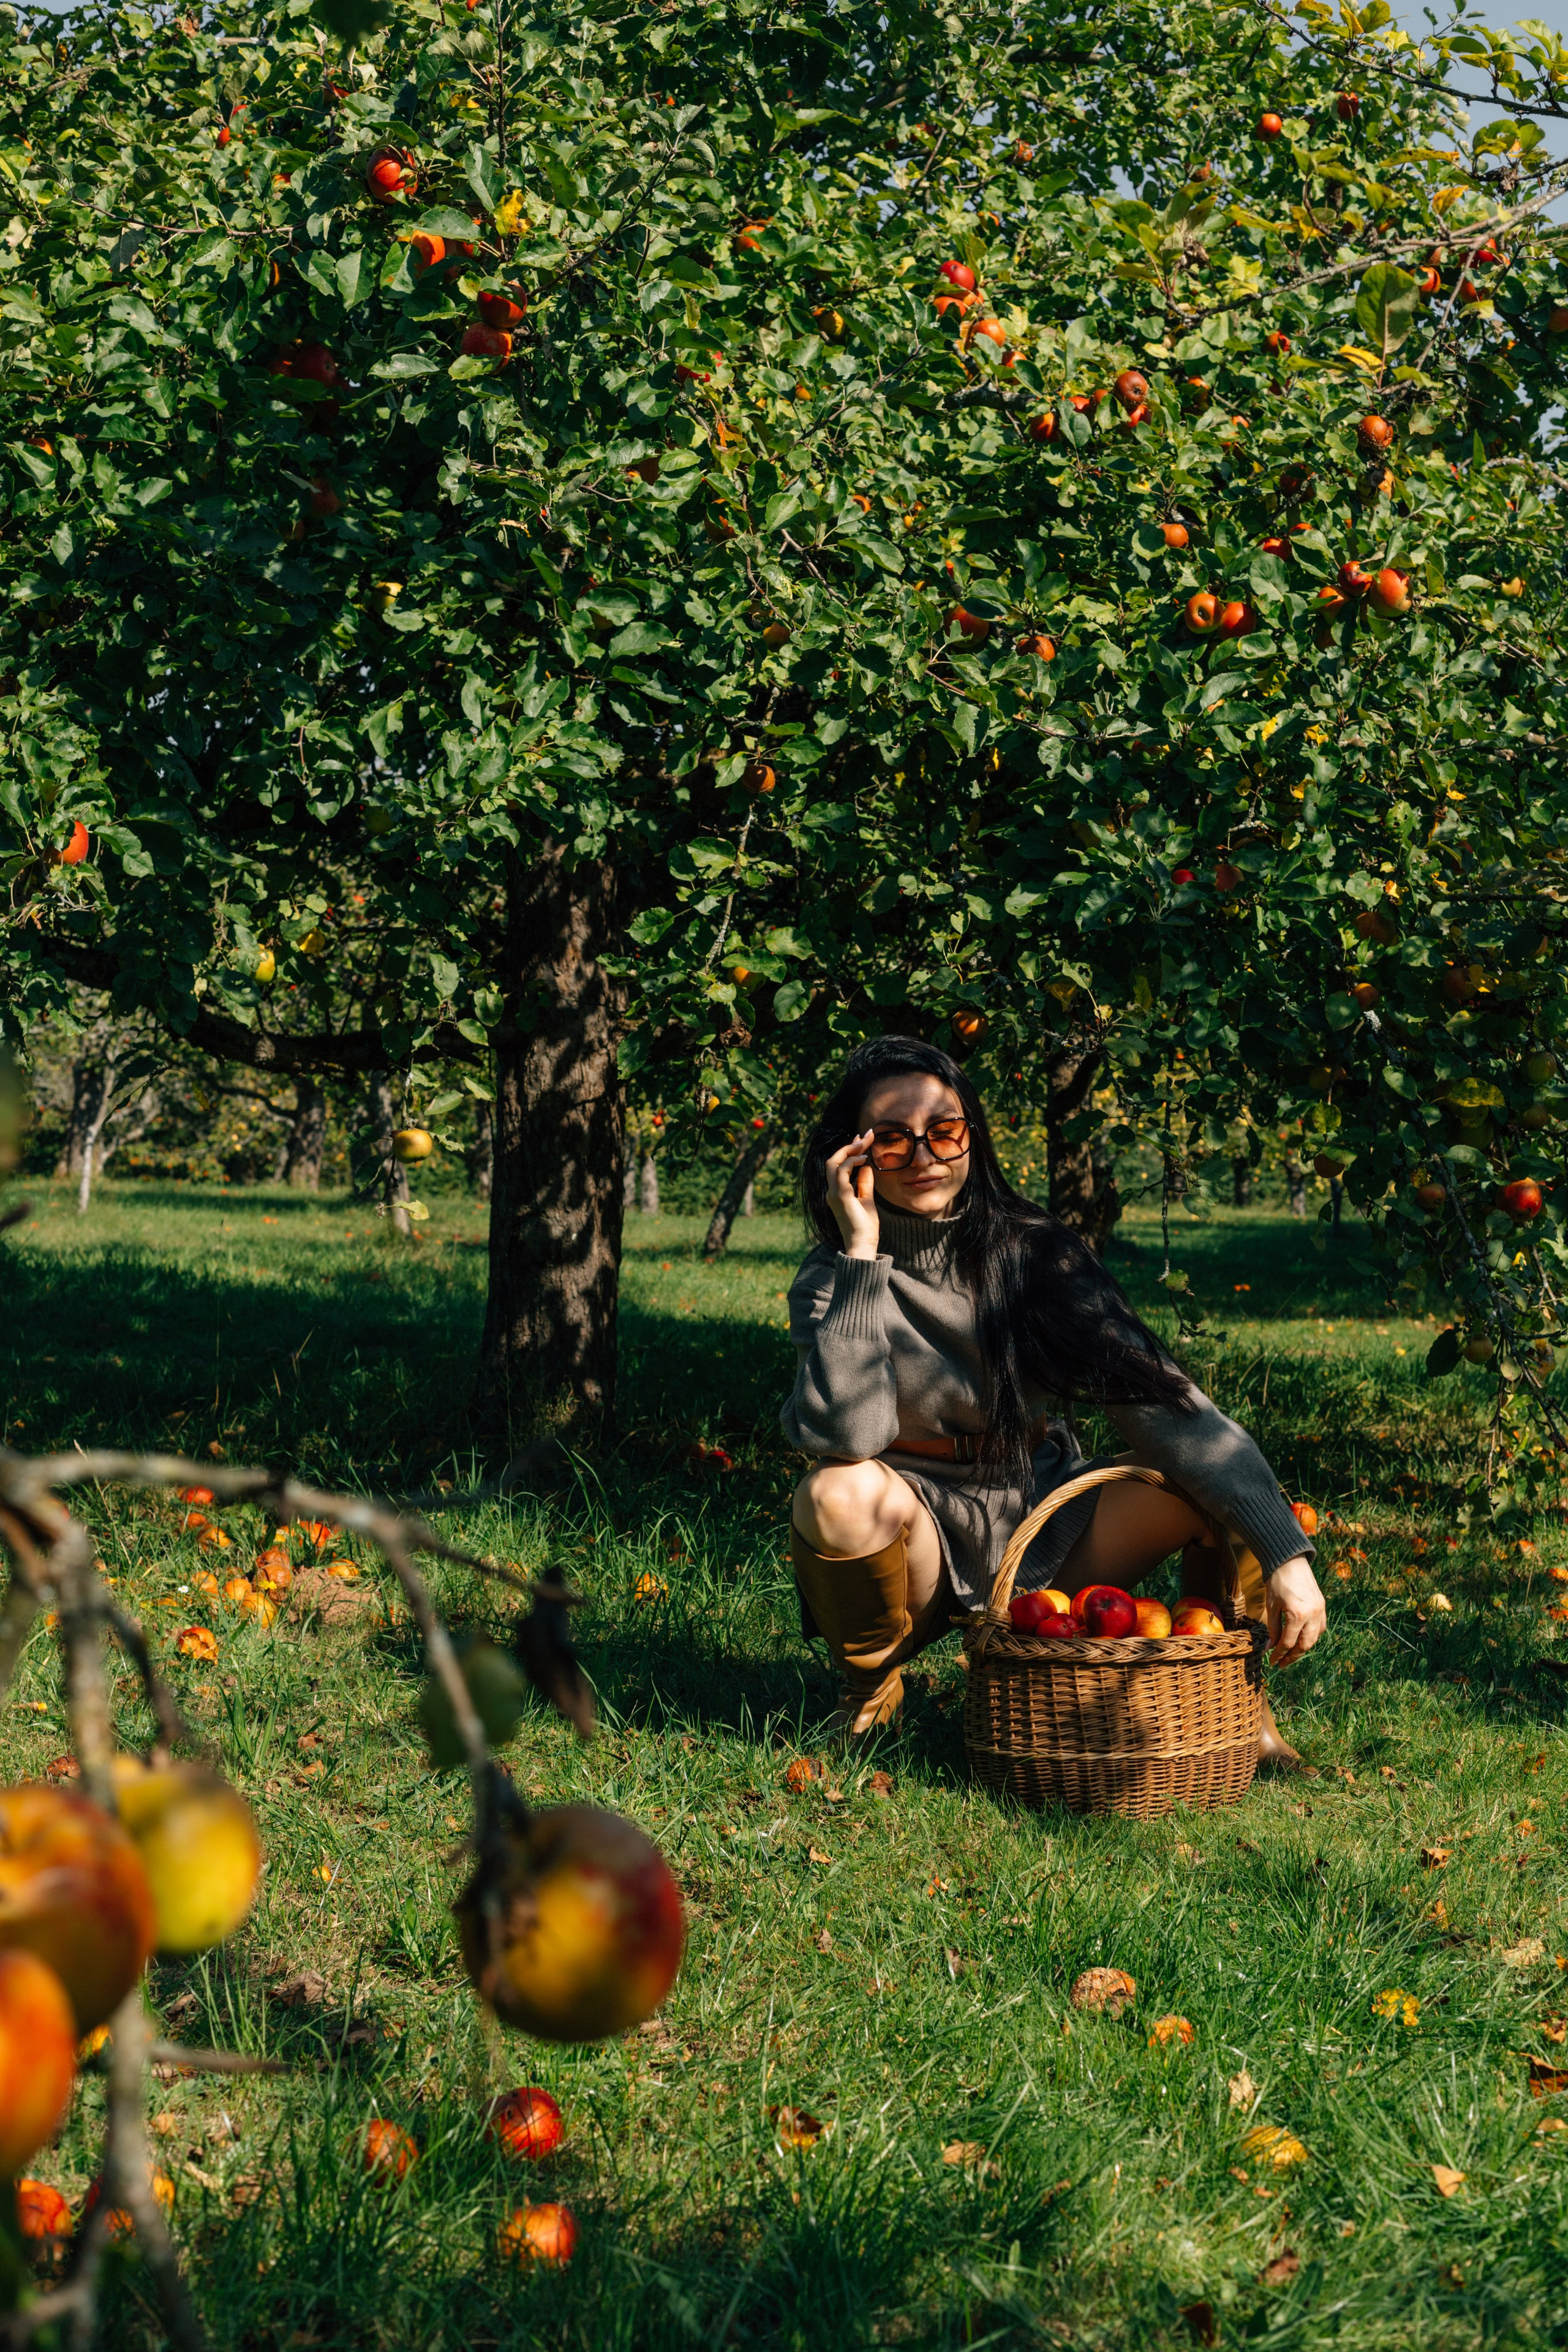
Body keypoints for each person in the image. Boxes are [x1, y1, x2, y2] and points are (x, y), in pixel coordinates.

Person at [782, 1037, 1327, 1751]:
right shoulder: (831, 1279)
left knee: (1205, 1483)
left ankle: (1237, 1703)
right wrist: (861, 1259)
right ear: (851, 1156)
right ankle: (870, 1694)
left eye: (944, 1133)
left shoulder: (1034, 1255)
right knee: (833, 1492)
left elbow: (1163, 1404)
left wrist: (1284, 1554)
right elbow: (847, 1436)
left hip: (1040, 1513)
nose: (924, 1158)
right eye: (891, 1141)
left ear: (971, 1138)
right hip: (913, 1534)